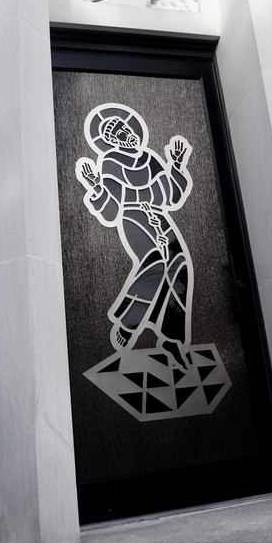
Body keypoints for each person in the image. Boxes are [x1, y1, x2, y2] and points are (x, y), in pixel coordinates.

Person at [76, 104, 193, 370]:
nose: (124, 133)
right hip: (134, 220)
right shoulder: (110, 161)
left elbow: (169, 195)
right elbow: (113, 208)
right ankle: (129, 323)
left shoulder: (149, 159)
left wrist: (176, 165)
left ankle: (173, 340)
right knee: (155, 263)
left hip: (158, 218)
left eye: (124, 128)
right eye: (116, 132)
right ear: (111, 140)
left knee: (179, 266)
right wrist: (96, 186)